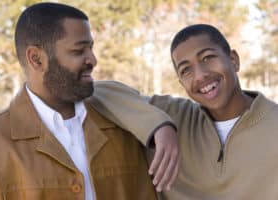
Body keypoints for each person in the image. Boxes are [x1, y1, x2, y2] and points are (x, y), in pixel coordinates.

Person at [0, 2, 179, 199]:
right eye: (78, 51)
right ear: (36, 59)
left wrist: (162, 126)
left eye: (91, 48)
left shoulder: (121, 126)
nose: (93, 60)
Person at [93, 24, 278, 200]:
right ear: (181, 82)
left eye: (208, 58)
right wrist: (160, 125)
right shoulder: (175, 115)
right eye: (186, 69)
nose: (199, 75)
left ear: (233, 60)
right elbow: (97, 92)